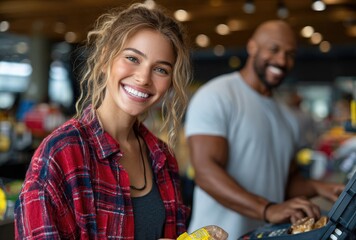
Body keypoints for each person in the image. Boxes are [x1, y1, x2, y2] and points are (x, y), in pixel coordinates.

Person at [14, 3, 192, 239]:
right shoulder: (61, 154)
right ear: (105, 58)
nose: (143, 78)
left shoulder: (163, 157)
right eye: (132, 58)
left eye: (161, 70)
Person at [184, 20, 345, 239]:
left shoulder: (287, 115)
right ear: (252, 47)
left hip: (264, 234)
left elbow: (284, 180)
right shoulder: (217, 95)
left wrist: (320, 188)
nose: (282, 60)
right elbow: (206, 171)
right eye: (274, 49)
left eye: (290, 54)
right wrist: (268, 209)